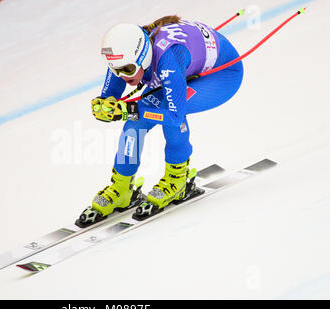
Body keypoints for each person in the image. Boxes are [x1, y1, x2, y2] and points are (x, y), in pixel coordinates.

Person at [90, 15, 244, 217]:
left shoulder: (168, 59)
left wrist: (130, 110)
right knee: (134, 124)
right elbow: (113, 89)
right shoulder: (127, 53)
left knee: (166, 114)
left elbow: (175, 116)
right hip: (183, 68)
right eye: (115, 70)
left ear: (143, 57)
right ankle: (122, 187)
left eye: (128, 69)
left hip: (221, 75)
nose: (124, 76)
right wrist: (105, 104)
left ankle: (178, 179)